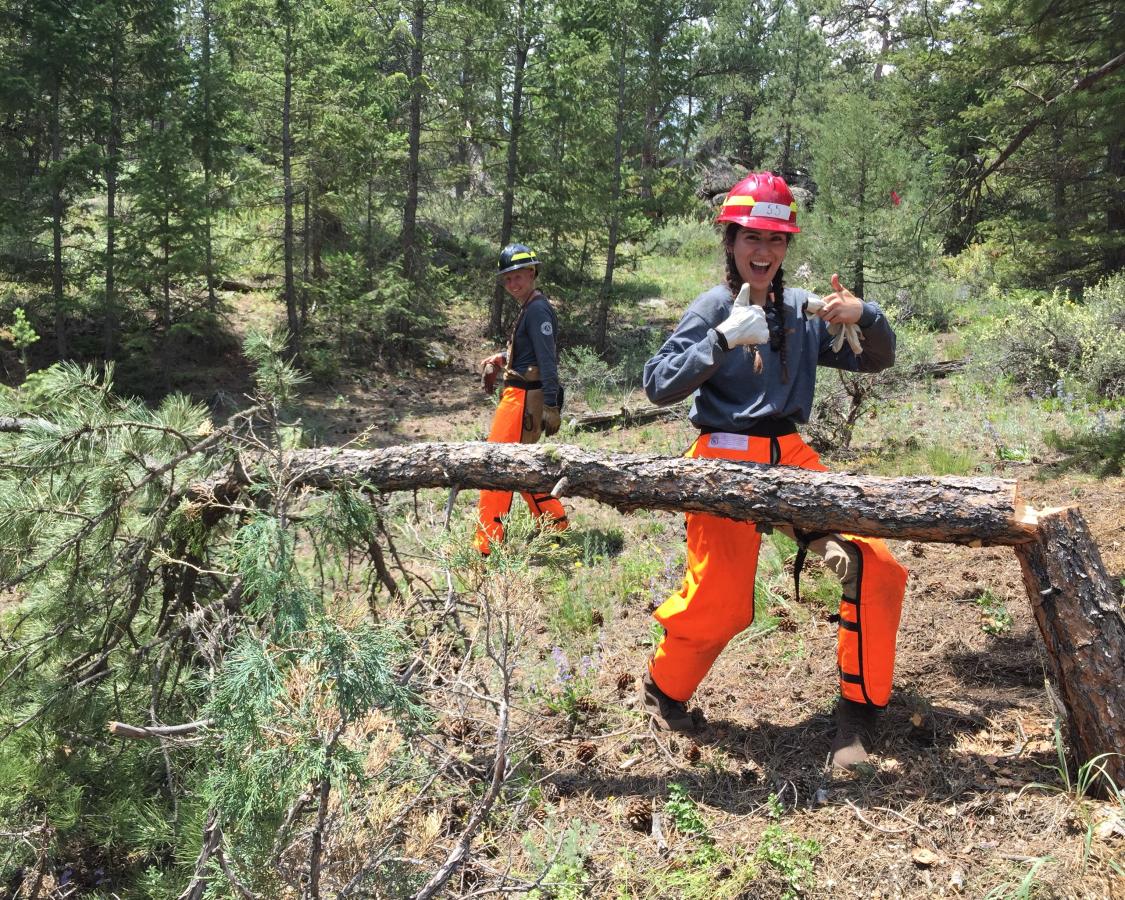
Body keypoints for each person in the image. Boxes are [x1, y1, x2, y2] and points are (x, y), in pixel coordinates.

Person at [641, 172, 908, 770]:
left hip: (788, 452)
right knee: (723, 602)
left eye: (776, 239)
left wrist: (866, 315)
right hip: (722, 454)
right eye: (752, 237)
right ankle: (664, 689)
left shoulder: (801, 310)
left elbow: (876, 360)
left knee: (875, 563)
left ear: (787, 246)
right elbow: (657, 384)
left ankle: (857, 715)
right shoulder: (712, 307)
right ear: (732, 240)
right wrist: (720, 340)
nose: (763, 251)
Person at [475, 243, 568, 555]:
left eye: (517, 276)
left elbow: (548, 360)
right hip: (519, 396)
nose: (512, 283)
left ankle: (487, 544)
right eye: (507, 279)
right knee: (526, 468)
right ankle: (555, 526)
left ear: (532, 273)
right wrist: (502, 358)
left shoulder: (538, 309)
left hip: (523, 400)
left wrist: (551, 405)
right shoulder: (529, 307)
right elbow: (528, 353)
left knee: (496, 469)